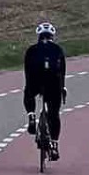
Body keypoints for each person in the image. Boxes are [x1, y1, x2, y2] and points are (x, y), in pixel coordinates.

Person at [23, 22, 67, 160]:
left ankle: (31, 116)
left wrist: (29, 86)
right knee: (54, 114)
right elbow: (62, 71)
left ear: (39, 35)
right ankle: (54, 145)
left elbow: (27, 71)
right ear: (52, 35)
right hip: (53, 83)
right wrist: (62, 88)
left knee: (28, 93)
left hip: (36, 81)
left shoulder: (31, 50)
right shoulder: (58, 49)